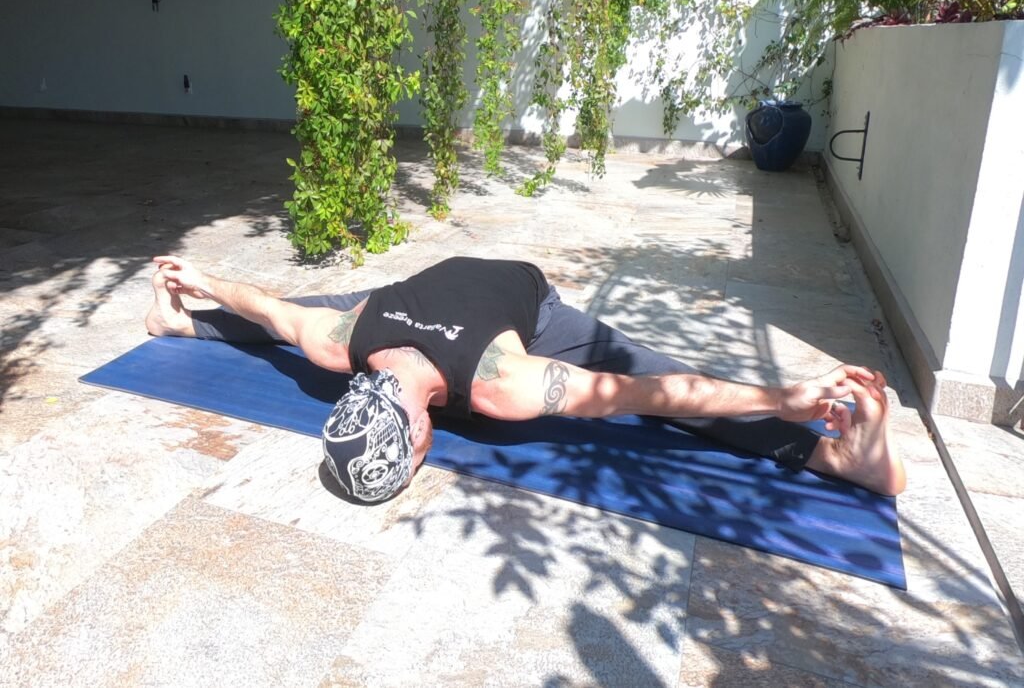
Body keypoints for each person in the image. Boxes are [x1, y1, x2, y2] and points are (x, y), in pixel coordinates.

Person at [146, 254, 906, 503]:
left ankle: (831, 455)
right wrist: (206, 286)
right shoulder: (338, 340)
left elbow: (653, 392)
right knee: (300, 314)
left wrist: (786, 400)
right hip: (409, 296)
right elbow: (272, 308)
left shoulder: (505, 379)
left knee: (640, 366)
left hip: (526, 300)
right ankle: (176, 320)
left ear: (416, 436)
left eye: (411, 459)